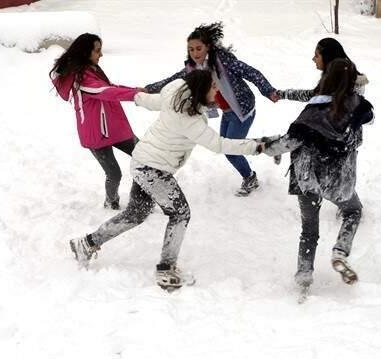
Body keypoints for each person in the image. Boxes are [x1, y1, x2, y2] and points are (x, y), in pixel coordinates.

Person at [69, 70, 264, 290]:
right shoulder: (189, 120)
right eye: (213, 86)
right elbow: (218, 145)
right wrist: (256, 146)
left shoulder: (177, 90)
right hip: (153, 169)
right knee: (180, 214)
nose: (217, 90)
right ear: (201, 89)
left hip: (144, 160)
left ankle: (86, 244)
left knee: (136, 214)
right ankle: (166, 270)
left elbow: (153, 101)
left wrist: (138, 96)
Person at [262, 59, 374, 290]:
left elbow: (289, 142)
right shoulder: (358, 107)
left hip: (307, 178)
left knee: (309, 231)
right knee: (353, 211)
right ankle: (340, 252)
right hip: (338, 178)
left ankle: (304, 275)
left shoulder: (313, 111)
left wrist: (266, 147)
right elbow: (364, 129)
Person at [144, 22, 278, 197]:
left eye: (198, 48)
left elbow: (252, 73)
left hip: (242, 111)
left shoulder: (225, 62)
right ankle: (269, 142)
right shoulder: (194, 69)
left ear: (208, 47)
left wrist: (268, 90)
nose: (195, 53)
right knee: (226, 146)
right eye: (191, 50)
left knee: (230, 150)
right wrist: (148, 89)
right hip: (228, 112)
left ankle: (250, 178)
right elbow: (173, 79)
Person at [50, 33, 143, 210]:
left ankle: (141, 199)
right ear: (86, 53)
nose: (101, 55)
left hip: (114, 127)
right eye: (97, 51)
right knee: (114, 173)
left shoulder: (91, 69)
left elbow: (110, 87)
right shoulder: (81, 79)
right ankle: (111, 202)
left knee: (145, 155)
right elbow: (105, 91)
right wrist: (136, 96)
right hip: (96, 133)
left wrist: (134, 90)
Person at [275, 37, 369, 103]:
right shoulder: (337, 79)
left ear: (328, 58)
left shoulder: (344, 87)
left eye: (317, 56)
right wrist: (283, 94)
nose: (313, 59)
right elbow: (314, 95)